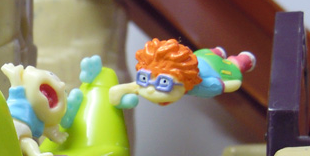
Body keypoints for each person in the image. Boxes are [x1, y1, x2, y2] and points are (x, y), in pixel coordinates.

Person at [109, 38, 255, 108]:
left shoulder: (206, 86)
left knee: (233, 66)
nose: (150, 90)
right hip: (200, 55)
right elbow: (132, 87)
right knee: (207, 53)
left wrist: (235, 75)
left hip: (215, 66)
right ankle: (217, 51)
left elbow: (231, 83)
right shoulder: (149, 81)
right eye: (144, 78)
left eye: (164, 83)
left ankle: (241, 59)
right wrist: (117, 93)